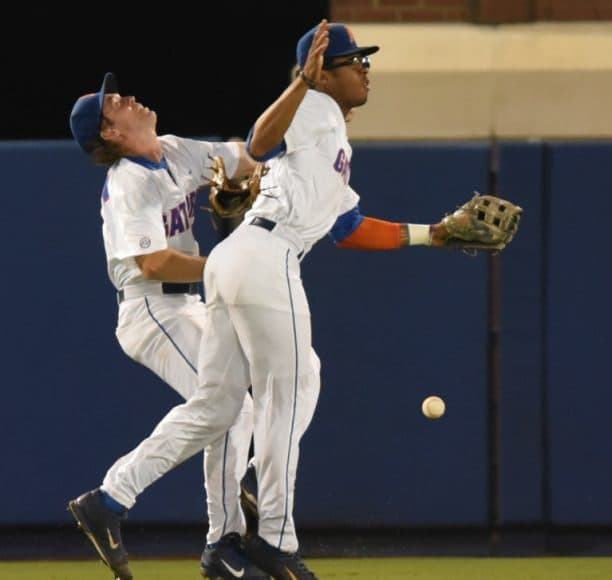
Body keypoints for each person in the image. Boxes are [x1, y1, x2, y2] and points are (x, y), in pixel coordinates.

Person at [71, 21, 467, 580]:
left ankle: (121, 502)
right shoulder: (309, 107)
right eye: (356, 61)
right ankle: (267, 536)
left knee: (262, 391)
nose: (366, 69)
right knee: (264, 405)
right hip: (168, 297)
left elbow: (328, 213)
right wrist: (300, 87)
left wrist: (435, 234)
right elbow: (256, 146)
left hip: (225, 273)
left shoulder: (187, 149)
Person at [66, 72, 267, 580]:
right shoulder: (130, 181)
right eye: (116, 102)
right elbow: (154, 263)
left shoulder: (173, 150)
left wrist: (271, 171)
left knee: (235, 405)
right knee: (228, 407)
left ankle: (131, 508)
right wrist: (229, 263)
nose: (128, 97)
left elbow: (246, 155)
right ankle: (129, 502)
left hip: (188, 305)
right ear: (109, 133)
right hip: (151, 310)